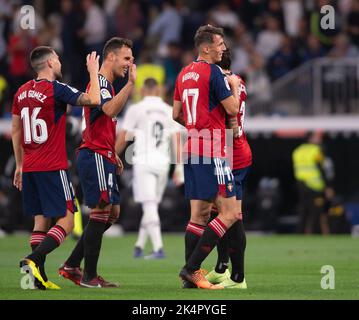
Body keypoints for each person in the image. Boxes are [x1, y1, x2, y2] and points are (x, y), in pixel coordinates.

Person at [12, 46, 101, 290]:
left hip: (29, 166)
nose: (61, 63)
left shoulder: (20, 92)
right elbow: (94, 100)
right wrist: (93, 72)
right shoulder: (56, 90)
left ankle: (34, 280)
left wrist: (19, 164)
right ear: (50, 63)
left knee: (40, 221)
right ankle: (33, 260)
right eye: (58, 59)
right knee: (67, 220)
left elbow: (16, 130)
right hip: (52, 165)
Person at [58, 37, 136, 288]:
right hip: (94, 154)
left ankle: (71, 265)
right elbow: (110, 111)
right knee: (103, 210)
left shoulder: (105, 85)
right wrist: (131, 85)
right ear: (111, 57)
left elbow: (104, 123)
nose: (129, 64)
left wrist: (114, 153)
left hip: (103, 154)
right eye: (126, 58)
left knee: (113, 212)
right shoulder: (101, 83)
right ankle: (89, 276)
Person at [172, 25, 241, 290]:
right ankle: (191, 269)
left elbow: (176, 114)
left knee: (199, 215)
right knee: (231, 213)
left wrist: (195, 123)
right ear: (206, 47)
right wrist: (233, 86)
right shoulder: (212, 72)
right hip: (213, 149)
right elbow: (233, 108)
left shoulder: (184, 73)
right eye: (220, 43)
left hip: (191, 148)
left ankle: (192, 277)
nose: (224, 48)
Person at [116, 77, 181, 259]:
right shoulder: (169, 110)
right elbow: (177, 140)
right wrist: (179, 167)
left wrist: (112, 154)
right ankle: (139, 245)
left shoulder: (136, 109)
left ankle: (159, 248)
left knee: (149, 204)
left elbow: (123, 136)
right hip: (162, 163)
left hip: (144, 161)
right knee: (151, 205)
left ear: (142, 91)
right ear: (159, 91)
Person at [205, 48, 252, 289]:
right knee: (219, 213)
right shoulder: (238, 81)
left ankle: (238, 277)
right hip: (231, 151)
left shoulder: (222, 82)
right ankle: (222, 267)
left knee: (232, 216)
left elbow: (231, 122)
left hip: (231, 154)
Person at [292, 131, 334, 234]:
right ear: (310, 139)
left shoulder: (298, 151)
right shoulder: (316, 150)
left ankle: (302, 233)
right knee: (316, 212)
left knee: (303, 211)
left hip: (301, 184)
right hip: (315, 186)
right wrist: (328, 186)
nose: (319, 140)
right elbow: (322, 169)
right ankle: (315, 233)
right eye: (316, 138)